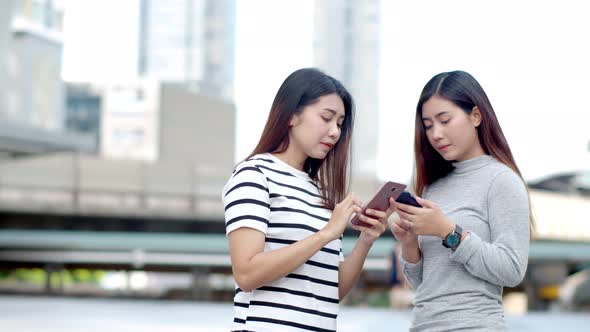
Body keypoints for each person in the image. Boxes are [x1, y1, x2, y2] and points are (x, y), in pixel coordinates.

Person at [222, 68, 394, 332]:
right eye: (326, 118)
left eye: (339, 123)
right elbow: (246, 274)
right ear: (292, 115)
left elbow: (330, 291)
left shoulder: (320, 192)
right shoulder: (254, 175)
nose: (335, 131)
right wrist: (326, 234)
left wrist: (365, 241)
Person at [391, 70, 534, 331]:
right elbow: (423, 285)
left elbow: (512, 271)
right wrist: (409, 243)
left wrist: (447, 231)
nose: (435, 134)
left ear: (476, 116)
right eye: (428, 124)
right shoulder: (433, 185)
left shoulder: (501, 181)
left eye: (444, 120)